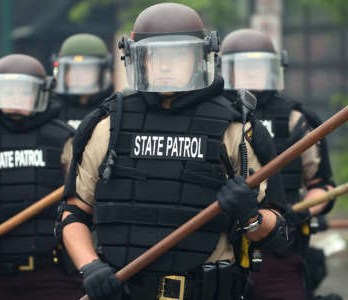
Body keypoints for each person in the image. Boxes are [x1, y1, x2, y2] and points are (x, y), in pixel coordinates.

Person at [55, 4, 288, 300]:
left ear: (199, 57)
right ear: (137, 58)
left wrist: (250, 215)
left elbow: (277, 233)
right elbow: (73, 212)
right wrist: (90, 267)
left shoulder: (237, 128)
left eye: (176, 56)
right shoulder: (106, 126)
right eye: (154, 56)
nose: (164, 66)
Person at [0, 54, 82, 300]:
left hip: (52, 275)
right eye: (8, 91)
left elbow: (83, 202)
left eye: (23, 92)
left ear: (40, 93)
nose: (15, 98)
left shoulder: (65, 139)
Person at [220, 28, 336, 300]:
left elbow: (322, 185)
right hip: (223, 249)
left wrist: (300, 211)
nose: (250, 75)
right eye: (242, 68)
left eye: (257, 68)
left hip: (280, 249)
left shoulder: (297, 120)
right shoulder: (215, 117)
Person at [52, 33, 114, 129]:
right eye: (73, 70)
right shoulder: (51, 110)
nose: (79, 76)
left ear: (104, 72)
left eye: (86, 70)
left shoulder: (114, 109)